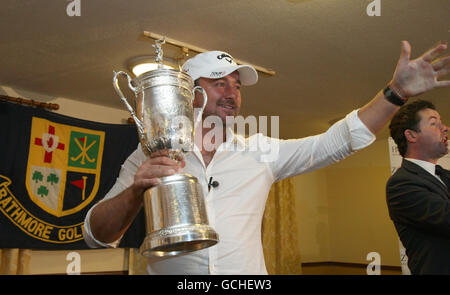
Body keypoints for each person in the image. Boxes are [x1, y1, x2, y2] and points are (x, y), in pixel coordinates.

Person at [83, 41, 450, 274]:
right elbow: (97, 235)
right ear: (189, 92)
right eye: (219, 83)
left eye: (237, 85)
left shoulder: (259, 151)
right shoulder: (149, 153)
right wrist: (135, 190)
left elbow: (332, 142)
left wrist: (396, 92)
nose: (233, 94)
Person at [386, 100, 449, 274]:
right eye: (434, 123)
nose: (445, 128)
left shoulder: (445, 175)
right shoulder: (400, 185)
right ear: (411, 135)